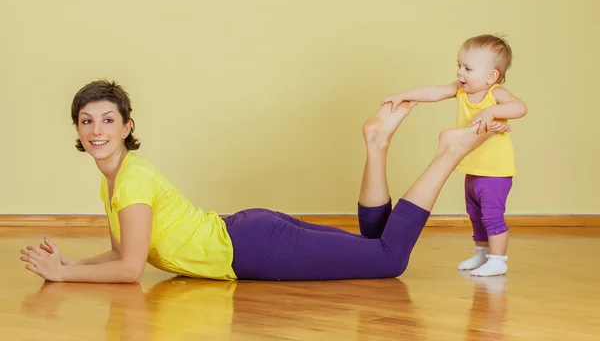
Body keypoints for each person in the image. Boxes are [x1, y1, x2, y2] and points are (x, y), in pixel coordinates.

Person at [20, 80, 510, 283]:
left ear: (127, 128)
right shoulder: (113, 185)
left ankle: (448, 152)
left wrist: (63, 275)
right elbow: (123, 252)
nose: (97, 130)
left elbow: (129, 272)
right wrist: (73, 261)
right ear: (78, 133)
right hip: (250, 232)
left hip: (253, 249)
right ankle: (377, 145)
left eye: (108, 120)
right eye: (87, 121)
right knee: (374, 243)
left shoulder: (131, 180)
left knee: (388, 260)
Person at [382, 34, 527, 276]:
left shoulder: (496, 94)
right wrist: (404, 95)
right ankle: (482, 255)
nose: (460, 73)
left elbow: (520, 108)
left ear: (491, 76)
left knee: (492, 215)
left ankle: (498, 259)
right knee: (475, 215)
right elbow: (434, 92)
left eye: (468, 68)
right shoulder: (460, 91)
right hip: (473, 167)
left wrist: (492, 111)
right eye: (459, 65)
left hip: (495, 171)